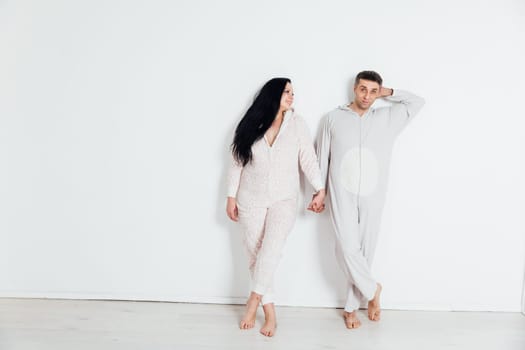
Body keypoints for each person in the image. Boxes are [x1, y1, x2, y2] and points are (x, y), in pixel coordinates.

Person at [315, 70, 425, 329]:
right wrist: (319, 192)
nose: (367, 96)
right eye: (363, 89)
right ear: (354, 88)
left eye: (373, 91)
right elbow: (322, 157)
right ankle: (373, 290)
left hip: (373, 193)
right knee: (345, 247)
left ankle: (352, 307)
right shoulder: (332, 118)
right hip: (341, 191)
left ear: (379, 92)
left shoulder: (388, 117)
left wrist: (388, 93)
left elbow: (417, 102)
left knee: (365, 251)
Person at [226, 78, 326, 337]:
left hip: (284, 198)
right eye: (286, 91)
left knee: (271, 249)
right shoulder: (252, 123)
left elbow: (308, 158)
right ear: (273, 95)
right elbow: (237, 161)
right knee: (254, 254)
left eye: (293, 92)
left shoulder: (297, 124)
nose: (292, 96)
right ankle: (270, 313)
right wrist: (230, 196)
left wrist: (319, 188)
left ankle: (253, 302)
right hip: (250, 199)